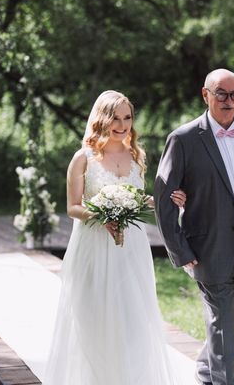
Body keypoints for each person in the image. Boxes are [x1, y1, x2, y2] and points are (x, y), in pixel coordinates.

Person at [44, 90, 189, 385]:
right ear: (102, 119)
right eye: (115, 118)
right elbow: (72, 207)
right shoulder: (83, 158)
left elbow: (139, 199)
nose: (122, 125)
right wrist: (103, 215)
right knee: (94, 318)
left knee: (133, 317)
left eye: (127, 117)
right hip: (94, 246)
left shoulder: (137, 155)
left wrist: (170, 199)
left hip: (131, 248)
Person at [154, 69, 234, 385]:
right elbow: (163, 200)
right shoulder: (183, 139)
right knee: (223, 320)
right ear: (205, 94)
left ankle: (205, 370)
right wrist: (179, 250)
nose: (229, 100)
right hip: (206, 246)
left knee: (232, 315)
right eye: (221, 93)